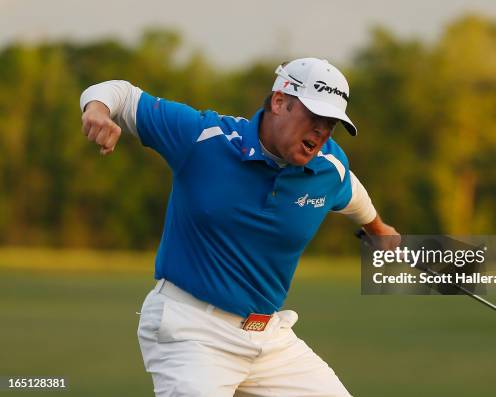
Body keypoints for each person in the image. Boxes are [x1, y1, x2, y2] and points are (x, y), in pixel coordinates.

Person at [80, 57, 398, 397]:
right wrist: (97, 110)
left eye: (331, 123)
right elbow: (122, 95)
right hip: (192, 332)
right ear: (279, 102)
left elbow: (351, 191)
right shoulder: (205, 137)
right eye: (314, 116)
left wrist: (378, 228)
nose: (321, 131)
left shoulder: (327, 167)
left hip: (269, 339)